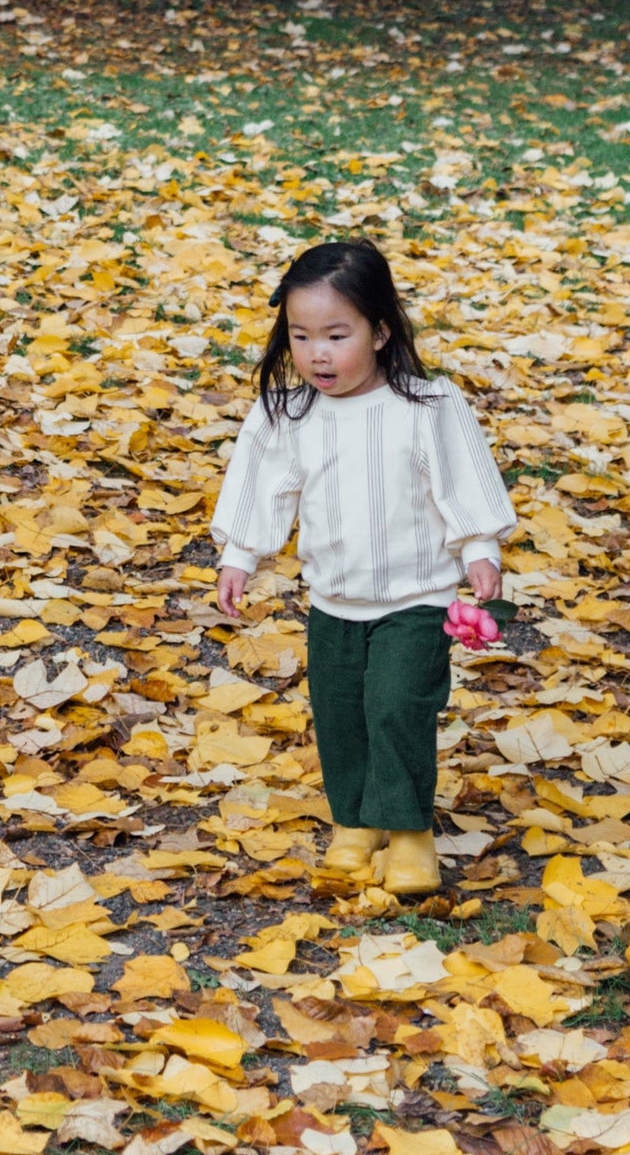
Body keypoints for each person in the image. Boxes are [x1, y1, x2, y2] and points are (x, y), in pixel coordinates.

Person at [211, 239, 516, 897]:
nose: (318, 353)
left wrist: (478, 551)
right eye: (301, 336)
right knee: (342, 713)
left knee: (396, 707)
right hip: (333, 602)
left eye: (336, 335)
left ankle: (407, 834)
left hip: (418, 597)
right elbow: (260, 487)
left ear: (380, 331)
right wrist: (240, 555)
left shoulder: (428, 407)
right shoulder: (287, 416)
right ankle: (354, 822)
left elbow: (461, 485)